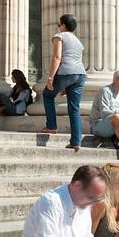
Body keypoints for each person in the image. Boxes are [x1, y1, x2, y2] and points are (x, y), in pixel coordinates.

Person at [41, 14, 88, 151]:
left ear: (62, 25)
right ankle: (76, 141)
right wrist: (66, 86)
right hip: (80, 75)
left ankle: (51, 126)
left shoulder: (59, 36)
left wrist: (50, 77)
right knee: (74, 109)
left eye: (59, 24)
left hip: (66, 72)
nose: (58, 27)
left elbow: (57, 57)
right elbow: (77, 59)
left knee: (47, 95)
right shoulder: (79, 42)